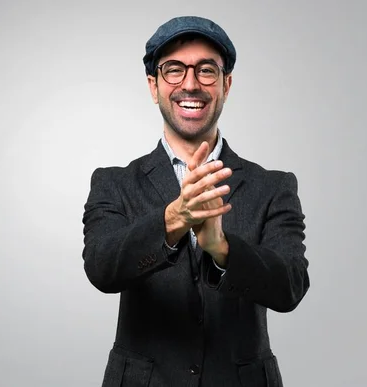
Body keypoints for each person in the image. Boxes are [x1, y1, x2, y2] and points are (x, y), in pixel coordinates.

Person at [81, 16, 310, 386]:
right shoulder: (114, 183)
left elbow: (290, 287)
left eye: (206, 70)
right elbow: (102, 269)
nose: (190, 84)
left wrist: (222, 249)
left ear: (226, 84)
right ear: (153, 86)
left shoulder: (274, 186)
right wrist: (173, 220)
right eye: (174, 70)